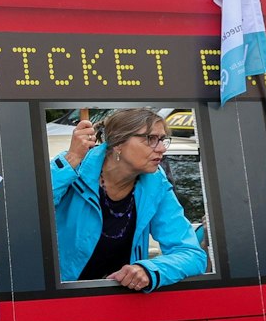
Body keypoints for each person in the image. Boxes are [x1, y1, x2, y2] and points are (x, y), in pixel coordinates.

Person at [50, 108, 208, 290]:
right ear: (118, 143)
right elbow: (29, 215)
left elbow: (192, 254)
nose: (162, 148)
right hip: (57, 297)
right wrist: (72, 158)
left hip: (121, 301)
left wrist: (148, 270)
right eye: (151, 139)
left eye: (162, 139)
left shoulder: (156, 184)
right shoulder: (71, 168)